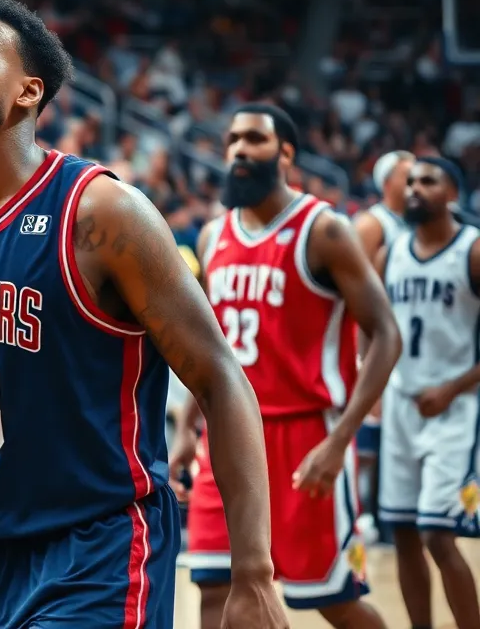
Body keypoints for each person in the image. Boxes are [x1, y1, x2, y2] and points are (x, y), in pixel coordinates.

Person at [0, 0, 286, 628]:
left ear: (27, 92)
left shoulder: (102, 213)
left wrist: (254, 572)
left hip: (89, 553)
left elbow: (219, 377)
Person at [175, 104, 401, 629]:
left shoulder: (324, 230)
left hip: (304, 436)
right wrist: (187, 426)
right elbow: (209, 347)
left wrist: (340, 440)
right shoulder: (212, 236)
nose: (239, 150)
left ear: (286, 153)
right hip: (226, 434)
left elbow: (387, 333)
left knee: (331, 599)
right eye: (232, 139)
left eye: (254, 139)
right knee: (214, 587)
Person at [377, 157, 480, 629]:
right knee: (402, 532)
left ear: (452, 194)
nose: (415, 188)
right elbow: (374, 324)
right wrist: (371, 378)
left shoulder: (471, 250)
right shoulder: (391, 253)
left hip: (455, 409)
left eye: (428, 181)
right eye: (411, 181)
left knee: (438, 534)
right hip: (401, 406)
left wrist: (453, 387)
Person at [352, 150, 413, 541]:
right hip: (374, 345)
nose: (416, 185)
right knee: (369, 439)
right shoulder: (372, 224)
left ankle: (388, 516)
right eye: (409, 177)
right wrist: (362, 358)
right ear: (388, 183)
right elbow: (351, 296)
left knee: (394, 439)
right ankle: (361, 516)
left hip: (405, 349)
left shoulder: (413, 224)